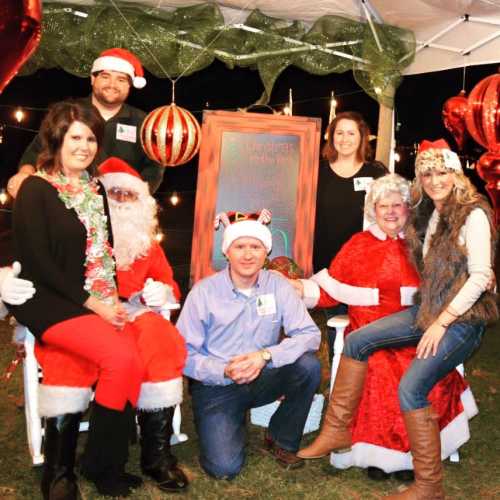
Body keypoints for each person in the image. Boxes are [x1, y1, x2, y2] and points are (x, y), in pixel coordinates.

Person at [298, 140, 498, 500]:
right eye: (427, 173)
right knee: (360, 343)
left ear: (455, 173)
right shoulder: (431, 217)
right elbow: (331, 286)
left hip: (458, 319)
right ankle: (337, 430)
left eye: (442, 171)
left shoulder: (472, 213)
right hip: (424, 314)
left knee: (409, 384)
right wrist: (295, 286)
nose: (435, 179)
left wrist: (442, 321)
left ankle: (427, 485)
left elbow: (479, 275)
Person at [6, 100, 145, 499]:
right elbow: (39, 263)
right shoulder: (35, 188)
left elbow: (103, 251)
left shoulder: (94, 187)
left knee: (131, 357)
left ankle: (103, 463)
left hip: (90, 297)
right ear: (56, 139)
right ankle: (58, 472)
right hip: (47, 299)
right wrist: (95, 306)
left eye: (90, 138)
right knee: (120, 358)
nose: (84, 146)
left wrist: (112, 301)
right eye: (75, 138)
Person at [176, 210, 321, 479]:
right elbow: (182, 353)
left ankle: (281, 437)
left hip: (262, 374)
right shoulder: (203, 293)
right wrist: (223, 370)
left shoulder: (277, 286)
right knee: (224, 469)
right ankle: (228, 420)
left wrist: (265, 355)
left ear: (265, 252)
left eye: (255, 247)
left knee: (308, 366)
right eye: (239, 246)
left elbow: (310, 334)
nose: (247, 254)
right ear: (227, 252)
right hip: (217, 384)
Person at [98, 156, 189, 492]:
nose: (121, 201)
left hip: (137, 314)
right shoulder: (83, 235)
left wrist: (160, 289)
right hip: (93, 315)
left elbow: (170, 284)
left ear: (141, 201)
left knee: (162, 339)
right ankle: (109, 444)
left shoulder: (148, 245)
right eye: (115, 193)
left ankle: (157, 454)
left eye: (129, 195)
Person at [7, 48, 164, 197]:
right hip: (67, 202)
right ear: (92, 79)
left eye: (121, 79)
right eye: (105, 76)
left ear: (129, 85)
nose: (112, 85)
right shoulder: (68, 112)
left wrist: (135, 198)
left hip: (120, 210)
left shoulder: (144, 123)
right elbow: (36, 152)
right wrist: (24, 174)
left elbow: (154, 170)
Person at [313, 111, 387, 361]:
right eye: (339, 132)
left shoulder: (376, 172)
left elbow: (394, 214)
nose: (344, 138)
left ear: (362, 137)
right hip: (328, 266)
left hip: (367, 267)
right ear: (331, 136)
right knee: (336, 325)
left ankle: (369, 382)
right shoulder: (316, 172)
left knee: (366, 326)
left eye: (351, 133)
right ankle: (341, 379)